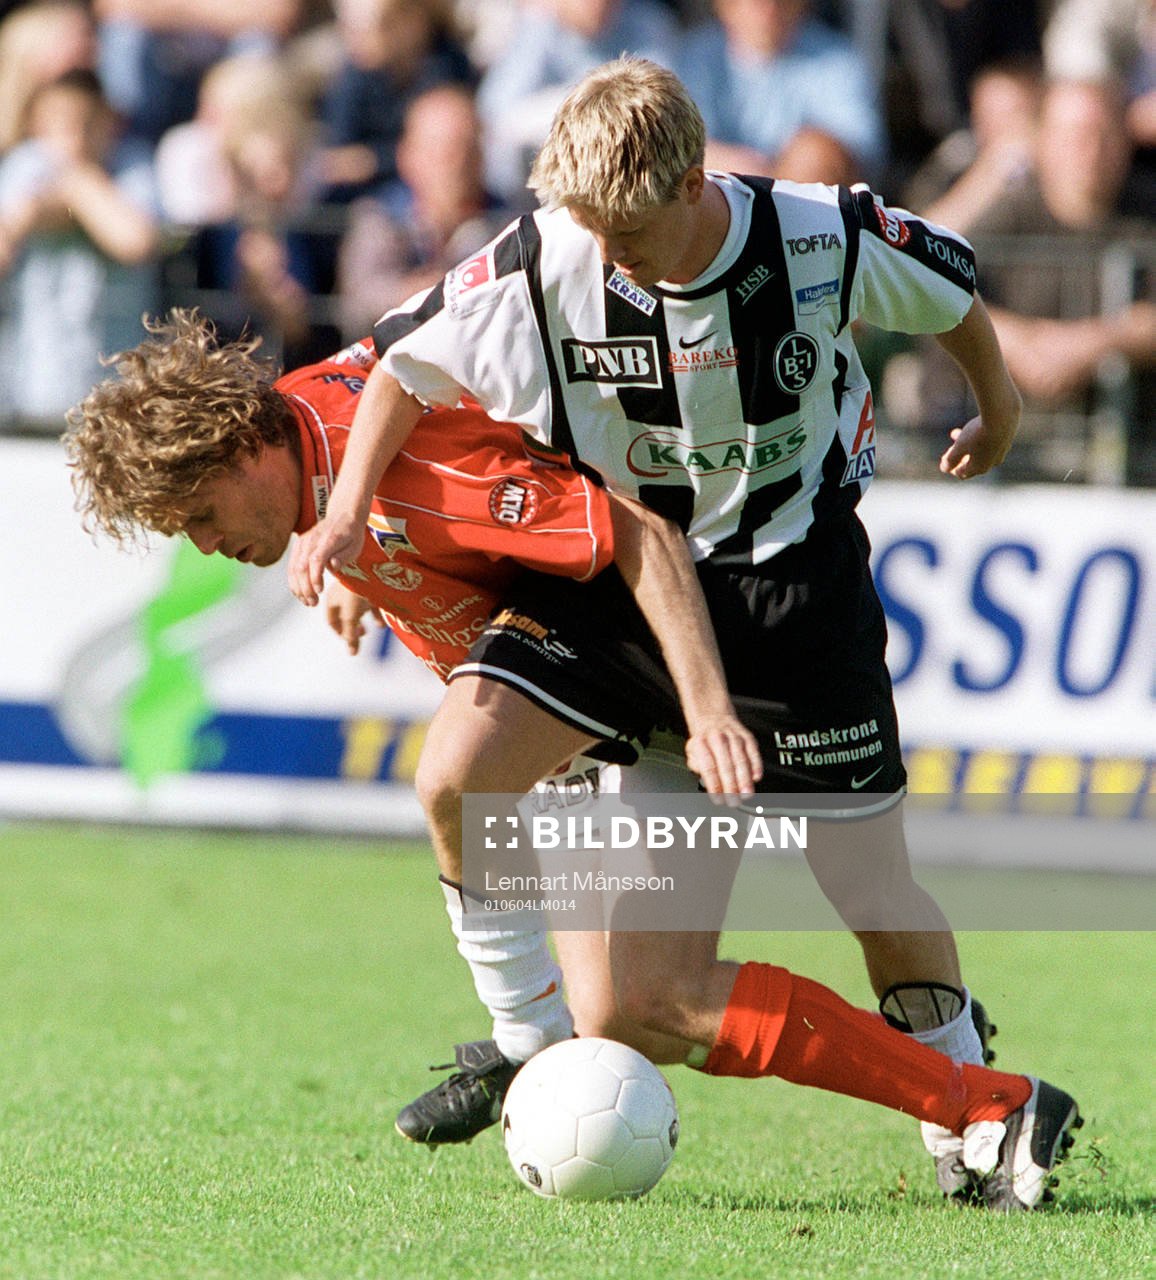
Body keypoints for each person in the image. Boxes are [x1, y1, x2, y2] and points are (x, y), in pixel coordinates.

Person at [66, 310, 1081, 1213]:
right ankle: (974, 1097)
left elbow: (634, 538)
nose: (205, 545)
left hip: (707, 637)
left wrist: (704, 707)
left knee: (468, 785)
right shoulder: (316, 447)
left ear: (245, 448)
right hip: (609, 696)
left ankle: (522, 1043)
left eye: (199, 517)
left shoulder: (429, 478)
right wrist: (363, 573)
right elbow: (394, 387)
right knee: (634, 1006)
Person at [288, 55, 1033, 1200]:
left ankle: (971, 1108)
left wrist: (999, 408)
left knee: (869, 890)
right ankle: (528, 1035)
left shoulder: (821, 236)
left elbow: (953, 302)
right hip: (627, 597)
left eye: (628, 232)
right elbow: (397, 366)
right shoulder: (543, 261)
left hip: (798, 594)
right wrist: (343, 517)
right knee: (613, 986)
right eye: (592, 231)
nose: (610, 256)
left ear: (696, 184)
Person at [0, 68, 159, 426]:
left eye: (88, 123)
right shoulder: (24, 164)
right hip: (29, 384)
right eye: (60, 123)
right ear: (36, 125)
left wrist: (78, 187)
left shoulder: (132, 164)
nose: (75, 137)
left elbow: (136, 241)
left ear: (110, 122)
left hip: (117, 392)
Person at [336, 83, 511, 340]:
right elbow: (357, 297)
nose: (459, 164)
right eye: (446, 151)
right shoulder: (382, 216)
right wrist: (414, 295)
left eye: (469, 148)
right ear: (408, 156)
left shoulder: (507, 222)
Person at [678, 0, 884, 187]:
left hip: (810, 210)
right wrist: (749, 172)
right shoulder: (693, 57)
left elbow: (858, 148)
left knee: (814, 155)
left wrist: (774, 185)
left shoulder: (838, 58)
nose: (769, 8)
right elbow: (684, 148)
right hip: (719, 205)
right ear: (723, 5)